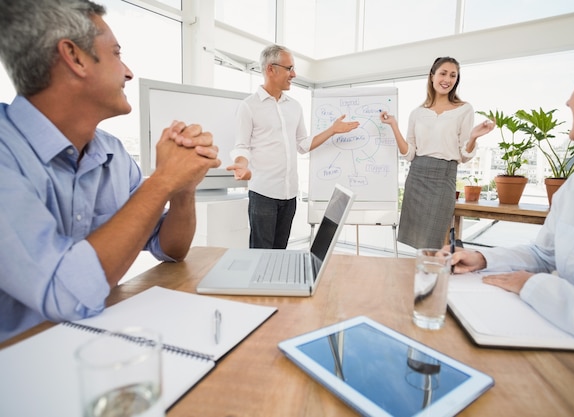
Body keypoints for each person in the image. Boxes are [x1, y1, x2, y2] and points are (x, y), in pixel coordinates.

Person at [0, 0, 220, 343]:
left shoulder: (113, 153)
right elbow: (66, 295)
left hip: (96, 341)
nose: (128, 72)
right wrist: (162, 180)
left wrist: (182, 187)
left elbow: (170, 248)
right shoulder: (6, 156)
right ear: (74, 57)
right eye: (116, 54)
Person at [448, 28, 574, 366]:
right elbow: (543, 254)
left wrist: (535, 287)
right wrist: (483, 259)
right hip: (557, 358)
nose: (569, 100)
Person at [227, 44, 359, 249]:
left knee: (280, 254)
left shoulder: (294, 106)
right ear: (271, 69)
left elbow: (302, 145)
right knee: (261, 257)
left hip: (289, 195)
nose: (294, 74)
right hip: (263, 194)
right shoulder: (248, 106)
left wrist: (332, 130)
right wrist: (241, 164)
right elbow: (241, 146)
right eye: (289, 68)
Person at [380, 57, 494, 250]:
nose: (447, 79)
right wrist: (393, 125)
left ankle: (435, 278)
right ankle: (420, 278)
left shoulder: (464, 109)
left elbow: (464, 155)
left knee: (434, 244)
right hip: (417, 176)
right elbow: (409, 153)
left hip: (444, 177)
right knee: (415, 242)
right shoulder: (417, 112)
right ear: (432, 76)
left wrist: (474, 137)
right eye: (443, 73)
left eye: (453, 75)